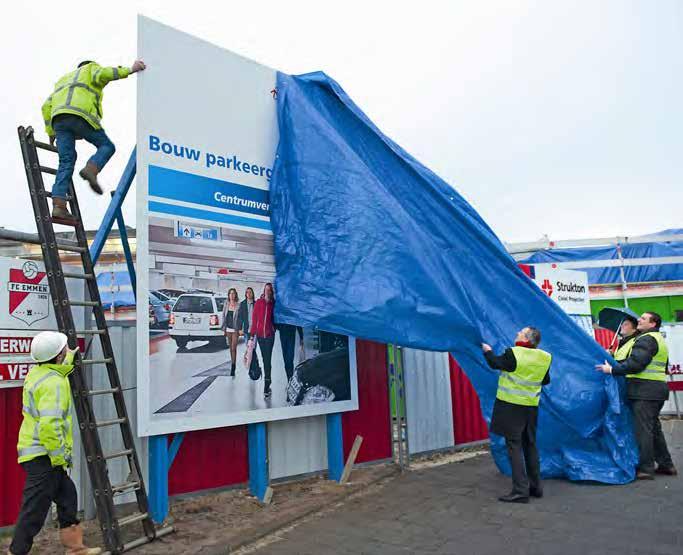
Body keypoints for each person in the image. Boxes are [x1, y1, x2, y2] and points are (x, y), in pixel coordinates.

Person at [9, 331, 101, 555]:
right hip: (44, 455)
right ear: (57, 355)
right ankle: (16, 551)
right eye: (64, 349)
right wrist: (59, 457)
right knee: (34, 509)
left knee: (68, 497)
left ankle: (75, 548)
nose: (66, 351)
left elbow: (58, 369)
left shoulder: (39, 372)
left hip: (41, 453)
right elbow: (50, 427)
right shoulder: (54, 384)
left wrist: (68, 359)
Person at [41, 59, 146, 223]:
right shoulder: (91, 69)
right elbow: (105, 73)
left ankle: (59, 205)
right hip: (80, 116)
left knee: (66, 161)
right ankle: (92, 169)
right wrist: (131, 70)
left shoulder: (63, 80)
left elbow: (46, 106)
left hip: (59, 120)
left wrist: (51, 132)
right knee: (107, 146)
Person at [596, 311, 677, 479]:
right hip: (654, 390)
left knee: (643, 431)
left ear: (653, 324)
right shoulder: (655, 339)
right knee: (653, 429)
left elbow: (636, 364)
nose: (639, 319)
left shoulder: (646, 339)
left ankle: (646, 468)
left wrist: (611, 369)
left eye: (643, 318)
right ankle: (666, 464)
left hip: (645, 391)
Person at [482, 326, 551, 503]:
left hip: (511, 407)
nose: (516, 334)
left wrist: (488, 351)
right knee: (530, 445)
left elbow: (495, 363)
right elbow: (546, 380)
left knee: (514, 447)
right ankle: (535, 487)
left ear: (527, 339)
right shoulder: (544, 357)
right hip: (531, 408)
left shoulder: (514, 353)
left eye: (520, 333)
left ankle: (520, 491)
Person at [250, 283, 276, 398]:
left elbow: (276, 319)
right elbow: (254, 320)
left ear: (271, 292)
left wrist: (274, 328)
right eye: (266, 290)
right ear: (263, 290)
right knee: (264, 358)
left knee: (267, 360)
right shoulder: (258, 303)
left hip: (270, 336)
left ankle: (267, 384)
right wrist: (251, 336)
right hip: (260, 336)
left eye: (269, 290)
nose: (267, 292)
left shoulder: (273, 304)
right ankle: (267, 382)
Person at [238, 287, 261, 375]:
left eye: (250, 292)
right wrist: (240, 328)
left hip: (255, 331)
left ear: (252, 293)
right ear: (245, 294)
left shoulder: (256, 304)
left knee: (253, 348)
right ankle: (254, 367)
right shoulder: (243, 304)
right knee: (249, 349)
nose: (248, 294)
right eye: (247, 292)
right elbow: (240, 318)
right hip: (246, 331)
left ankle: (253, 367)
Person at [222, 288, 240, 377]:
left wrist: (240, 329)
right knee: (230, 348)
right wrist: (223, 328)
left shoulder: (238, 305)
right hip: (228, 329)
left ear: (235, 295)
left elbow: (240, 318)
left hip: (235, 329)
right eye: (230, 293)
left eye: (233, 293)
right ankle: (232, 363)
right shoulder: (226, 304)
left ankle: (233, 366)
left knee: (233, 348)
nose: (232, 295)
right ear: (228, 295)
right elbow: (223, 316)